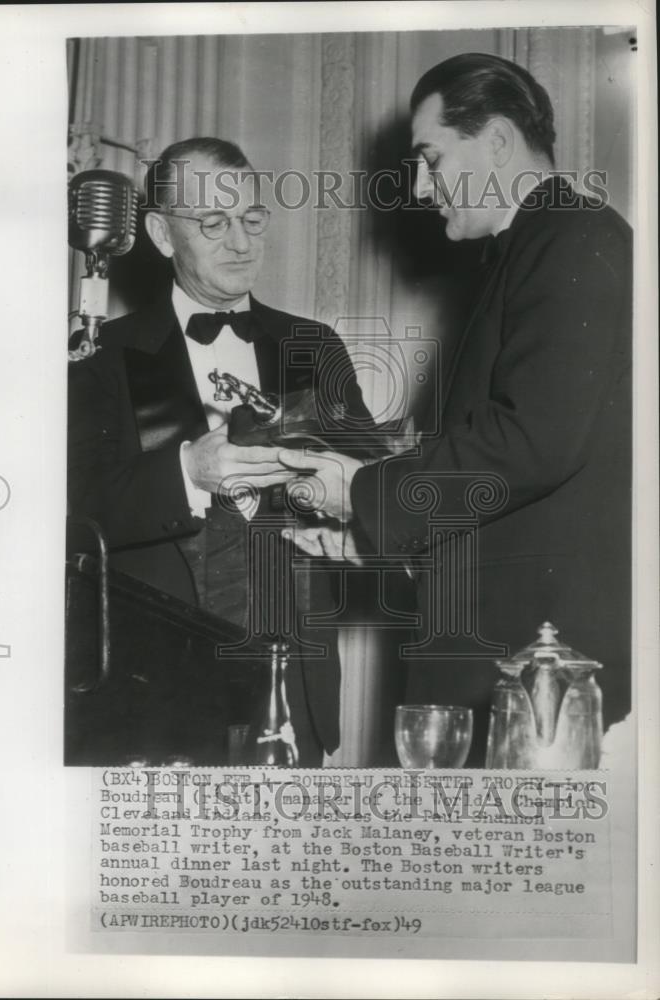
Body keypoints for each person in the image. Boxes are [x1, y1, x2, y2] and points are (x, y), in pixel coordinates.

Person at [281, 53, 632, 764]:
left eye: (430, 159)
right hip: (511, 650)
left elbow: (534, 440)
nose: (417, 185)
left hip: (540, 668)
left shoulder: (572, 237)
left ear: (498, 141)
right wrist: (371, 539)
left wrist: (364, 491)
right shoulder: (534, 247)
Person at [67, 137, 374, 765]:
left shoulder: (315, 346)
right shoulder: (97, 357)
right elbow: (73, 517)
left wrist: (345, 507)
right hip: (153, 687)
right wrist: (187, 472)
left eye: (252, 220)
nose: (241, 242)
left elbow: (369, 487)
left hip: (294, 687)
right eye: (213, 222)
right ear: (160, 233)